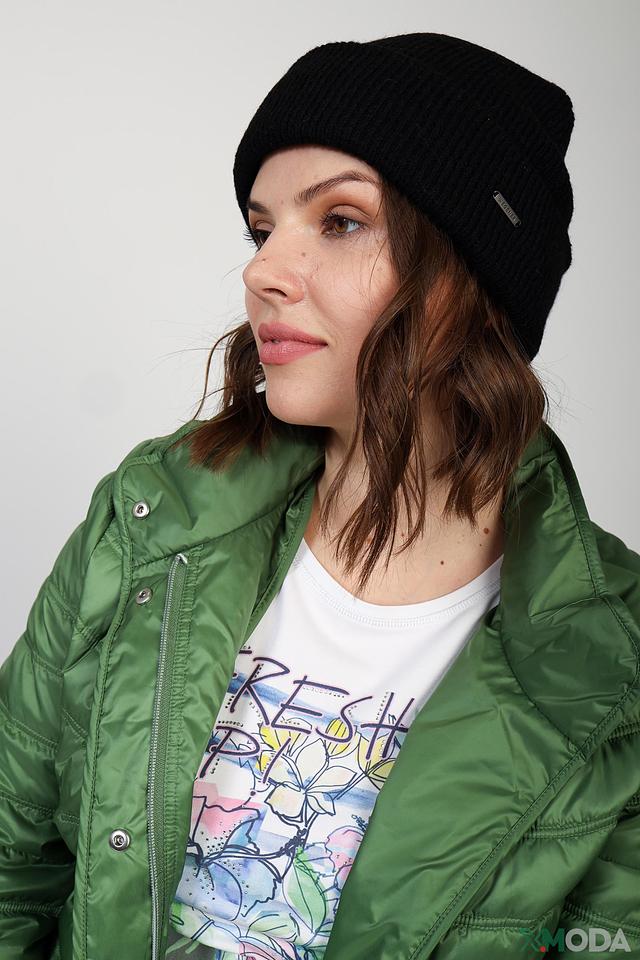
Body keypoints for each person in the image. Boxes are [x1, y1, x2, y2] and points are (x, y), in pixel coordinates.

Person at [1, 31, 639, 960]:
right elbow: (11, 865)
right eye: (262, 230)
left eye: (340, 221)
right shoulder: (150, 519)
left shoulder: (614, 663)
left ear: (474, 278)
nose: (262, 271)